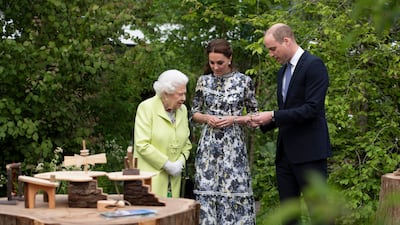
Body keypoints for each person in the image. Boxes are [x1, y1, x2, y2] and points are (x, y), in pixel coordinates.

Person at [250, 23, 332, 225]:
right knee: (288, 217)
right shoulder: (282, 73)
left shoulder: (314, 65)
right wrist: (263, 121)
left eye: (272, 49)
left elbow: (311, 109)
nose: (271, 54)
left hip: (310, 154)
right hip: (285, 155)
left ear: (286, 41)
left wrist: (273, 115)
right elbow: (287, 112)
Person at [191, 39, 258, 225]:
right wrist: (207, 118)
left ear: (230, 59)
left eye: (219, 62)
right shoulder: (203, 81)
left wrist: (234, 119)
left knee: (234, 192)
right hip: (208, 147)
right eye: (211, 63)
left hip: (233, 147)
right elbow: (194, 113)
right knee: (207, 192)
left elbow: (255, 116)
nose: (215, 67)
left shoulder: (244, 81)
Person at [134, 69, 192, 198]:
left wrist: (180, 163)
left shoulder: (182, 110)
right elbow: (142, 144)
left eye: (185, 94)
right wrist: (166, 164)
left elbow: (186, 144)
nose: (184, 99)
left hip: (174, 182)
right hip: (150, 179)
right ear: (166, 94)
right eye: (180, 94)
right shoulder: (146, 108)